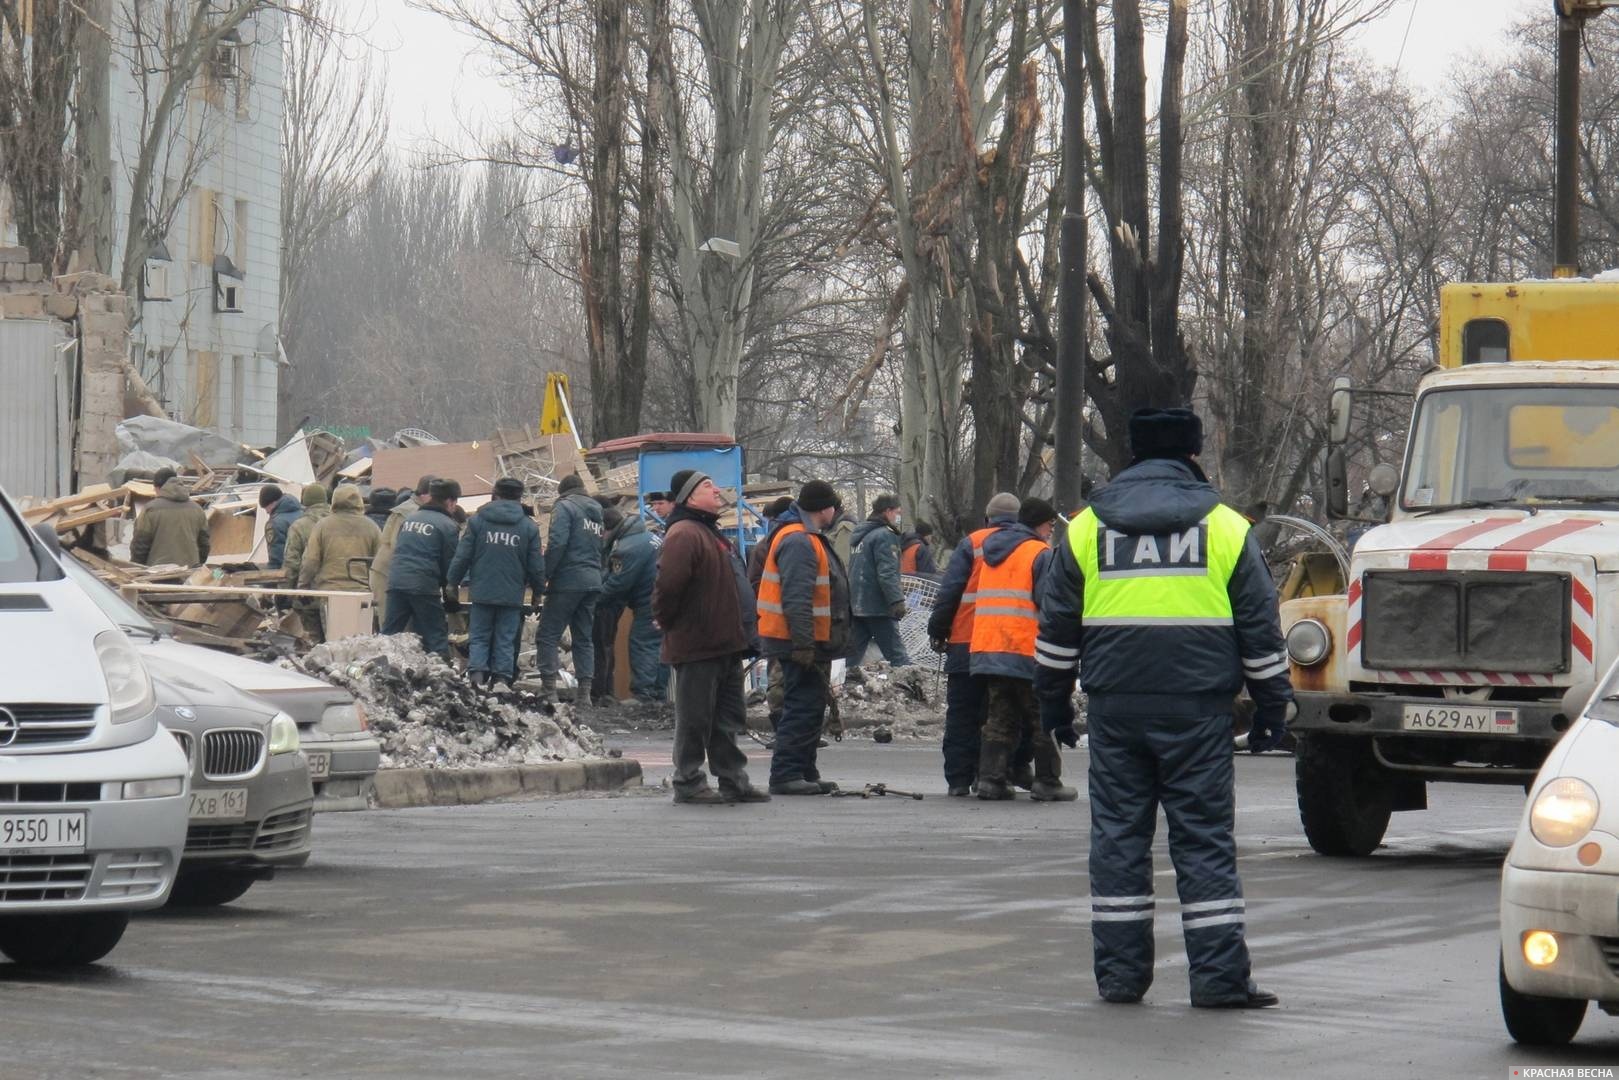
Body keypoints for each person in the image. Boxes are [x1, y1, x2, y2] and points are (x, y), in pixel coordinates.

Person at [1036, 407, 1294, 1010]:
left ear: (1131, 456)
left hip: (1115, 710)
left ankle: (1122, 978)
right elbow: (1260, 629)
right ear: (1193, 457)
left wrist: (1052, 706)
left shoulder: (1083, 528)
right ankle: (1218, 980)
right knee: (1203, 840)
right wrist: (1270, 709)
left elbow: (1055, 630)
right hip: (1198, 713)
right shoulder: (1228, 528)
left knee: (1119, 839)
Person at [651, 470, 770, 804]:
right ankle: (688, 782)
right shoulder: (685, 533)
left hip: (726, 644)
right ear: (689, 496)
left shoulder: (710, 532)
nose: (717, 490)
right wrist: (667, 620)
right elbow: (668, 585)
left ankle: (733, 780)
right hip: (699, 644)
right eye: (707, 486)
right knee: (695, 719)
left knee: (728, 718)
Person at [970, 497, 1075, 803]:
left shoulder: (992, 551)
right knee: (1043, 716)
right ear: (1040, 524)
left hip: (990, 647)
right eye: (1050, 525)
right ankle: (1047, 781)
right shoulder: (1038, 553)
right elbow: (1048, 602)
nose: (1050, 531)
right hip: (1027, 647)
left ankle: (991, 780)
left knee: (1000, 716)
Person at [758, 480, 850, 795]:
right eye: (834, 507)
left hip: (808, 640)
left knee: (810, 707)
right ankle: (785, 774)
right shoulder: (798, 541)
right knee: (801, 707)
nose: (835, 513)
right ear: (825, 508)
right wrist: (803, 644)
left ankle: (805, 770)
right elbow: (797, 598)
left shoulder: (804, 537)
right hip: (798, 641)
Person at [927, 492, 1020, 796]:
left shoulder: (972, 544)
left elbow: (950, 590)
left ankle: (957, 780)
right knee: (998, 714)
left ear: (987, 519)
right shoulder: (1030, 546)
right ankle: (991, 775)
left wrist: (938, 629)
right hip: (1008, 647)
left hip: (966, 642)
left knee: (961, 715)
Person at [448, 477, 545, 688]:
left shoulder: (478, 521)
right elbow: (536, 565)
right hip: (512, 594)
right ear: (519, 497)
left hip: (482, 591)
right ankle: (501, 681)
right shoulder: (528, 527)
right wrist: (538, 591)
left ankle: (477, 679)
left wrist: (451, 583)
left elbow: (462, 556)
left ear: (496, 494)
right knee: (506, 638)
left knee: (480, 635)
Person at [536, 473, 605, 702]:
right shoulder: (596, 512)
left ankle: (549, 690)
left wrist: (545, 574)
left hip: (568, 580)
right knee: (583, 637)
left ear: (563, 492)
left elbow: (558, 543)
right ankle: (584, 694)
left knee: (548, 634)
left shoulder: (565, 507)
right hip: (593, 580)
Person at [382, 478, 461, 660]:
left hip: (396, 582)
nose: (455, 507)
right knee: (435, 634)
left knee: (389, 633)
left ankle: (379, 666)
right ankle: (441, 674)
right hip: (423, 585)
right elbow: (450, 565)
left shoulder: (410, 519)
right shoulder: (447, 525)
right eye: (455, 502)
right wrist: (451, 596)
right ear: (449, 501)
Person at [295, 485, 381, 641]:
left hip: (330, 594)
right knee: (362, 642)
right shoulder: (372, 527)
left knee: (334, 643)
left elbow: (310, 560)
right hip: (362, 594)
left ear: (334, 501)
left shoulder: (323, 526)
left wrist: (303, 586)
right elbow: (380, 563)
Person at [601, 508, 664, 703]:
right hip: (661, 598)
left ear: (606, 529)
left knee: (642, 643)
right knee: (658, 646)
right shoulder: (648, 537)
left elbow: (618, 584)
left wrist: (592, 599)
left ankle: (643, 695)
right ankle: (658, 694)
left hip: (649, 602)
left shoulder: (626, 548)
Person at [746, 495, 794, 739]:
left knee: (781, 676)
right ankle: (782, 729)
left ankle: (786, 728)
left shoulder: (766, 546)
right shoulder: (768, 547)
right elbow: (755, 585)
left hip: (776, 621)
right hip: (777, 623)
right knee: (778, 676)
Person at [845, 493, 911, 670]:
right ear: (887, 511)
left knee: (849, 660)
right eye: (897, 512)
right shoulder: (884, 535)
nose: (898, 517)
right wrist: (896, 600)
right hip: (878, 606)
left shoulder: (861, 536)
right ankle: (910, 689)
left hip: (857, 606)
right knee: (898, 657)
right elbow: (887, 572)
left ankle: (836, 689)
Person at [371, 474, 434, 627]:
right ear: (426, 495)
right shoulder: (410, 513)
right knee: (392, 627)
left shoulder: (412, 509)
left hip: (392, 572)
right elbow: (396, 546)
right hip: (388, 574)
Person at [131, 468, 210, 567]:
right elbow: (204, 544)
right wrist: (196, 564)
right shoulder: (197, 509)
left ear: (158, 488)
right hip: (189, 573)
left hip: (157, 574)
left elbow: (140, 545)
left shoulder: (150, 509)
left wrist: (138, 569)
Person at [591, 503, 627, 704]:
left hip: (606, 603)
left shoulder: (613, 547)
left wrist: (596, 597)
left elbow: (611, 576)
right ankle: (606, 691)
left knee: (601, 646)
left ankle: (600, 692)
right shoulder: (620, 541)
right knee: (606, 646)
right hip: (614, 603)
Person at [280, 483, 331, 588]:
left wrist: (285, 593)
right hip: (338, 588)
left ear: (305, 501)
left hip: (309, 591)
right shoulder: (337, 522)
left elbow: (291, 563)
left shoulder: (299, 526)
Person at [259, 484, 303, 570]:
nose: (267, 512)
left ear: (273, 502)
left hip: (290, 574)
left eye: (266, 507)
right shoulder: (304, 512)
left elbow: (277, 558)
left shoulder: (275, 523)